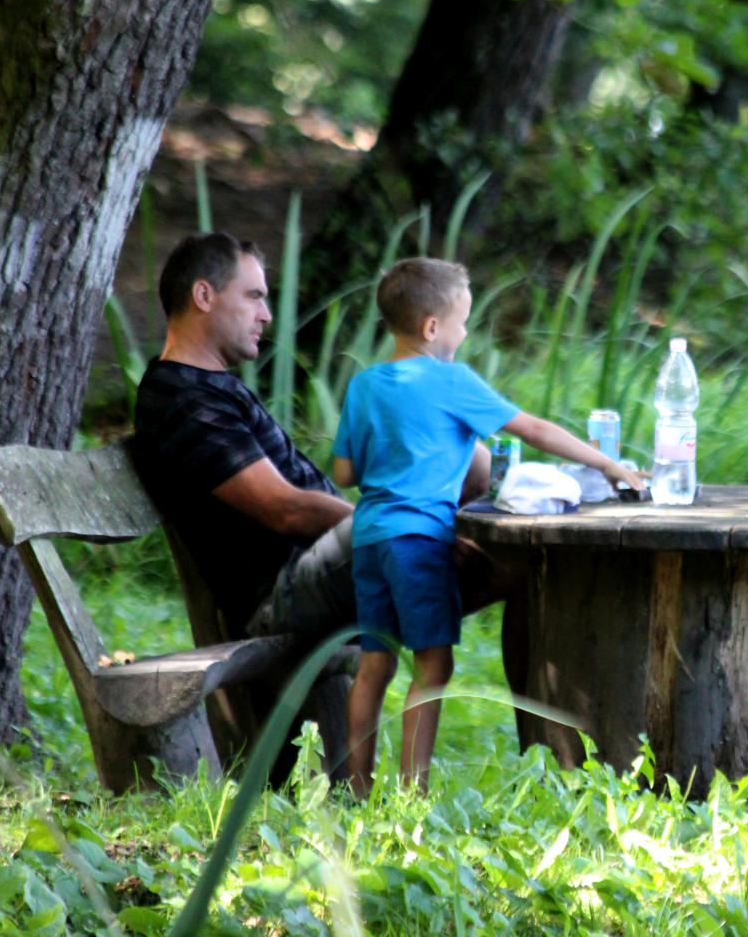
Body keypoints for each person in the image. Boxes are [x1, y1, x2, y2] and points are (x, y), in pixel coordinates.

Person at [332, 257, 643, 798]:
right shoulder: (451, 382)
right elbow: (534, 428)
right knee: (433, 665)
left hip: (370, 538)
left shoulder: (364, 386)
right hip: (418, 540)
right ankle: (411, 796)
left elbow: (345, 472)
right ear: (433, 328)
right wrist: (609, 465)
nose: (467, 332)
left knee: (374, 667)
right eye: (463, 321)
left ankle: (355, 790)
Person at [131, 232, 509, 660]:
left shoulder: (207, 387)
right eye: (254, 297)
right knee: (523, 563)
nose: (267, 315)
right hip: (282, 597)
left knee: (488, 490)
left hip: (319, 570)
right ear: (204, 295)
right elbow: (285, 509)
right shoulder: (182, 398)